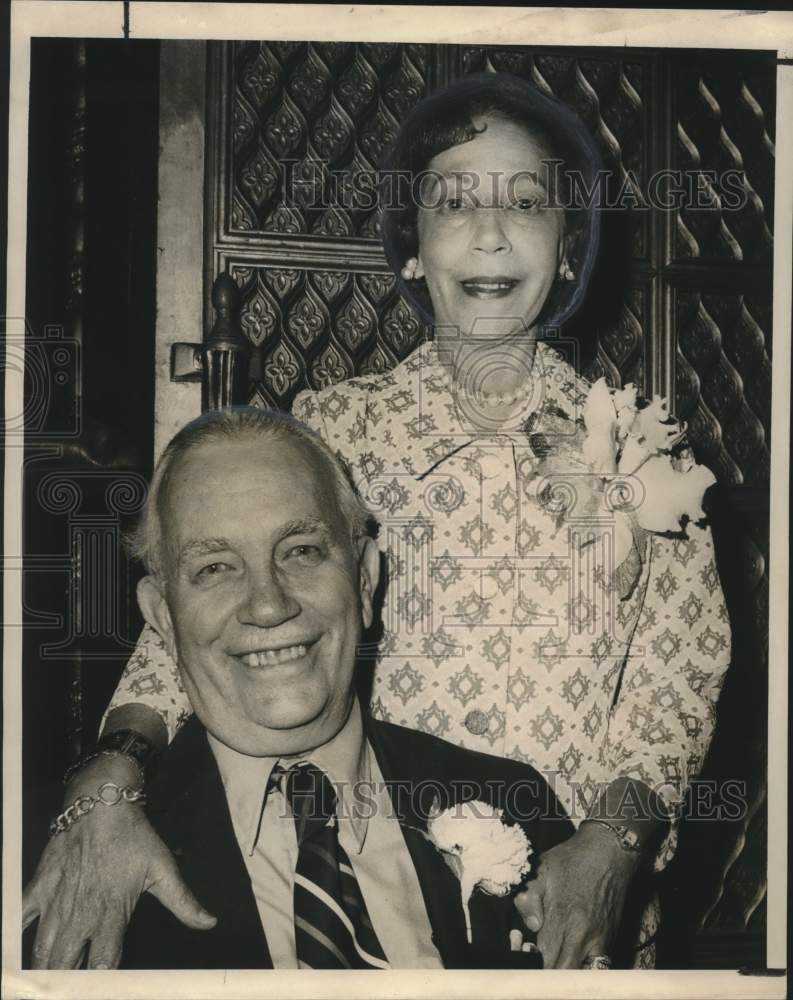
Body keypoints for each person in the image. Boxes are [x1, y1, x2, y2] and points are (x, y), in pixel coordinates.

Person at [23, 73, 731, 969]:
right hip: (368, 863)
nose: (488, 231)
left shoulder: (643, 448)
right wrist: (110, 783)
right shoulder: (332, 429)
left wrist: (610, 851)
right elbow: (198, 623)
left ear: (565, 250)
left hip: (569, 899)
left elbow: (675, 687)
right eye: (451, 203)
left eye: (525, 202)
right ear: (410, 250)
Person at [35, 406, 578, 969]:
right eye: (216, 568)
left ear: (364, 581)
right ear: (164, 619)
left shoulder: (514, 802)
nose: (269, 605)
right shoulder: (63, 863)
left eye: (301, 551)